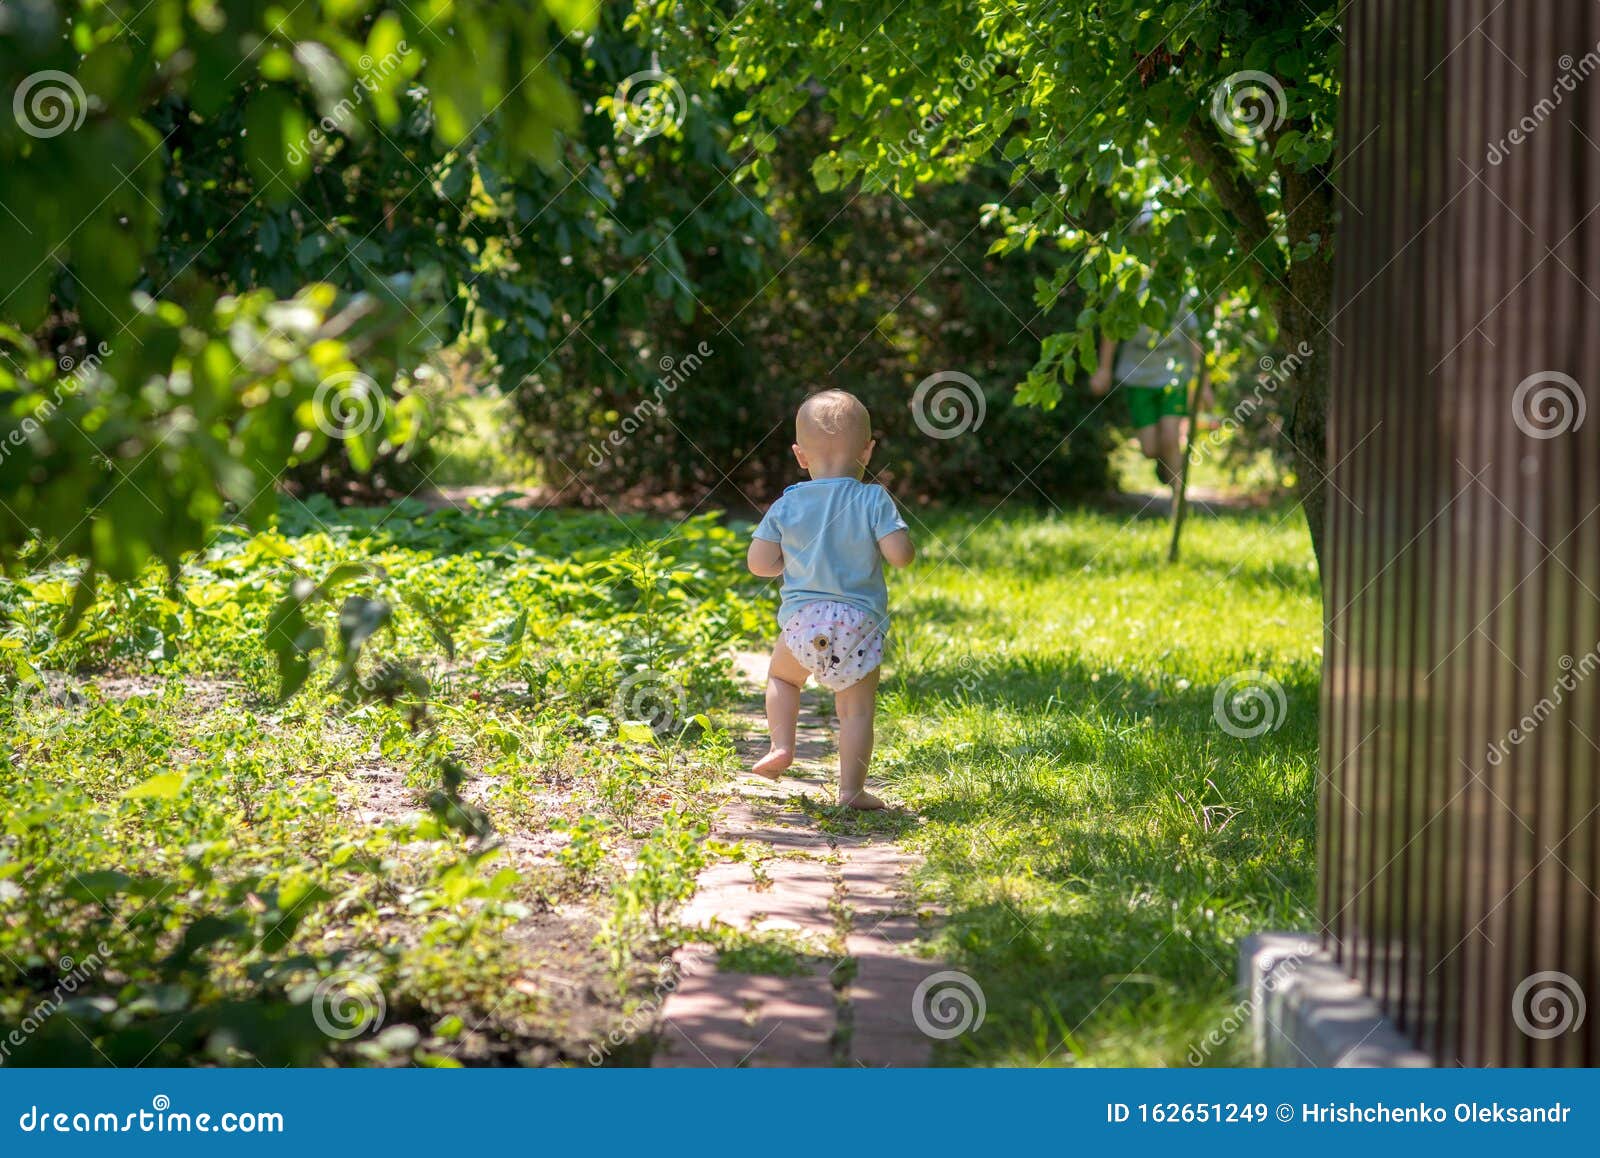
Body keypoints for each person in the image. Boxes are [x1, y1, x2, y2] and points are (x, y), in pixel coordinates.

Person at [745, 390, 915, 810]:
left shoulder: (789, 503)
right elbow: (901, 556)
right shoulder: (874, 499)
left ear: (800, 456)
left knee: (783, 679)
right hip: (858, 625)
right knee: (855, 712)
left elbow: (759, 564)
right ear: (869, 450)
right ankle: (851, 791)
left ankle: (782, 746)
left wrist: (790, 556)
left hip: (803, 624)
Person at [1090, 301, 1211, 488]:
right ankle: (1166, 462)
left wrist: (1204, 385)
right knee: (1150, 449)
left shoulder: (1181, 286)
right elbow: (1111, 327)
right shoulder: (1129, 285)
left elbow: (1194, 339)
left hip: (1175, 374)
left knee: (1171, 437)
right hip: (1138, 375)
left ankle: (1177, 496)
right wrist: (1104, 369)